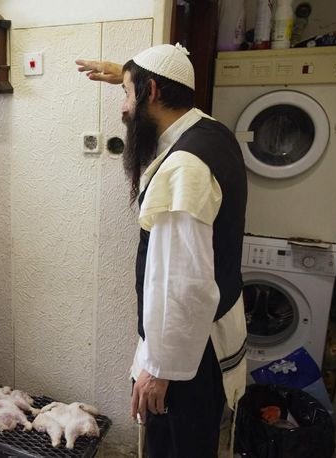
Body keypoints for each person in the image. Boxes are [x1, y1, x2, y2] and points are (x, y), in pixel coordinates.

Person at [76, 44, 248, 457]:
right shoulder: (213, 133)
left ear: (152, 92)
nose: (123, 108)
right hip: (207, 337)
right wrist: (128, 73)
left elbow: (182, 285)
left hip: (185, 358)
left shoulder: (184, 169)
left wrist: (158, 371)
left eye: (128, 94)